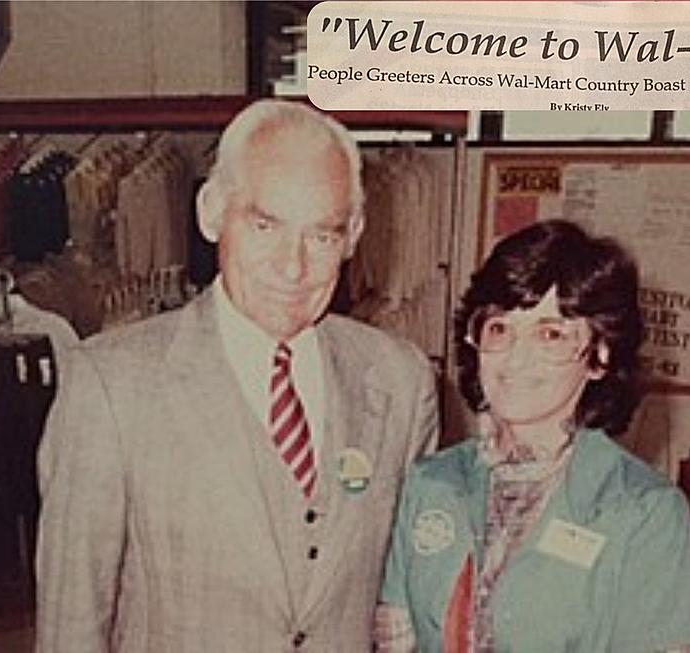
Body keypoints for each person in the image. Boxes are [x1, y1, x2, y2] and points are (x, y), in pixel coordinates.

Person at [35, 100, 439, 652]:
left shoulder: (400, 381)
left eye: (322, 235)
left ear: (353, 236)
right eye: (265, 224)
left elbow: (405, 605)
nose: (293, 267)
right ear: (211, 211)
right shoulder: (111, 388)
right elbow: (70, 627)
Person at [375, 220, 690, 652]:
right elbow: (395, 639)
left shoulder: (645, 513)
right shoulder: (429, 482)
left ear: (599, 357)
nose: (516, 358)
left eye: (550, 335)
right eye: (500, 329)